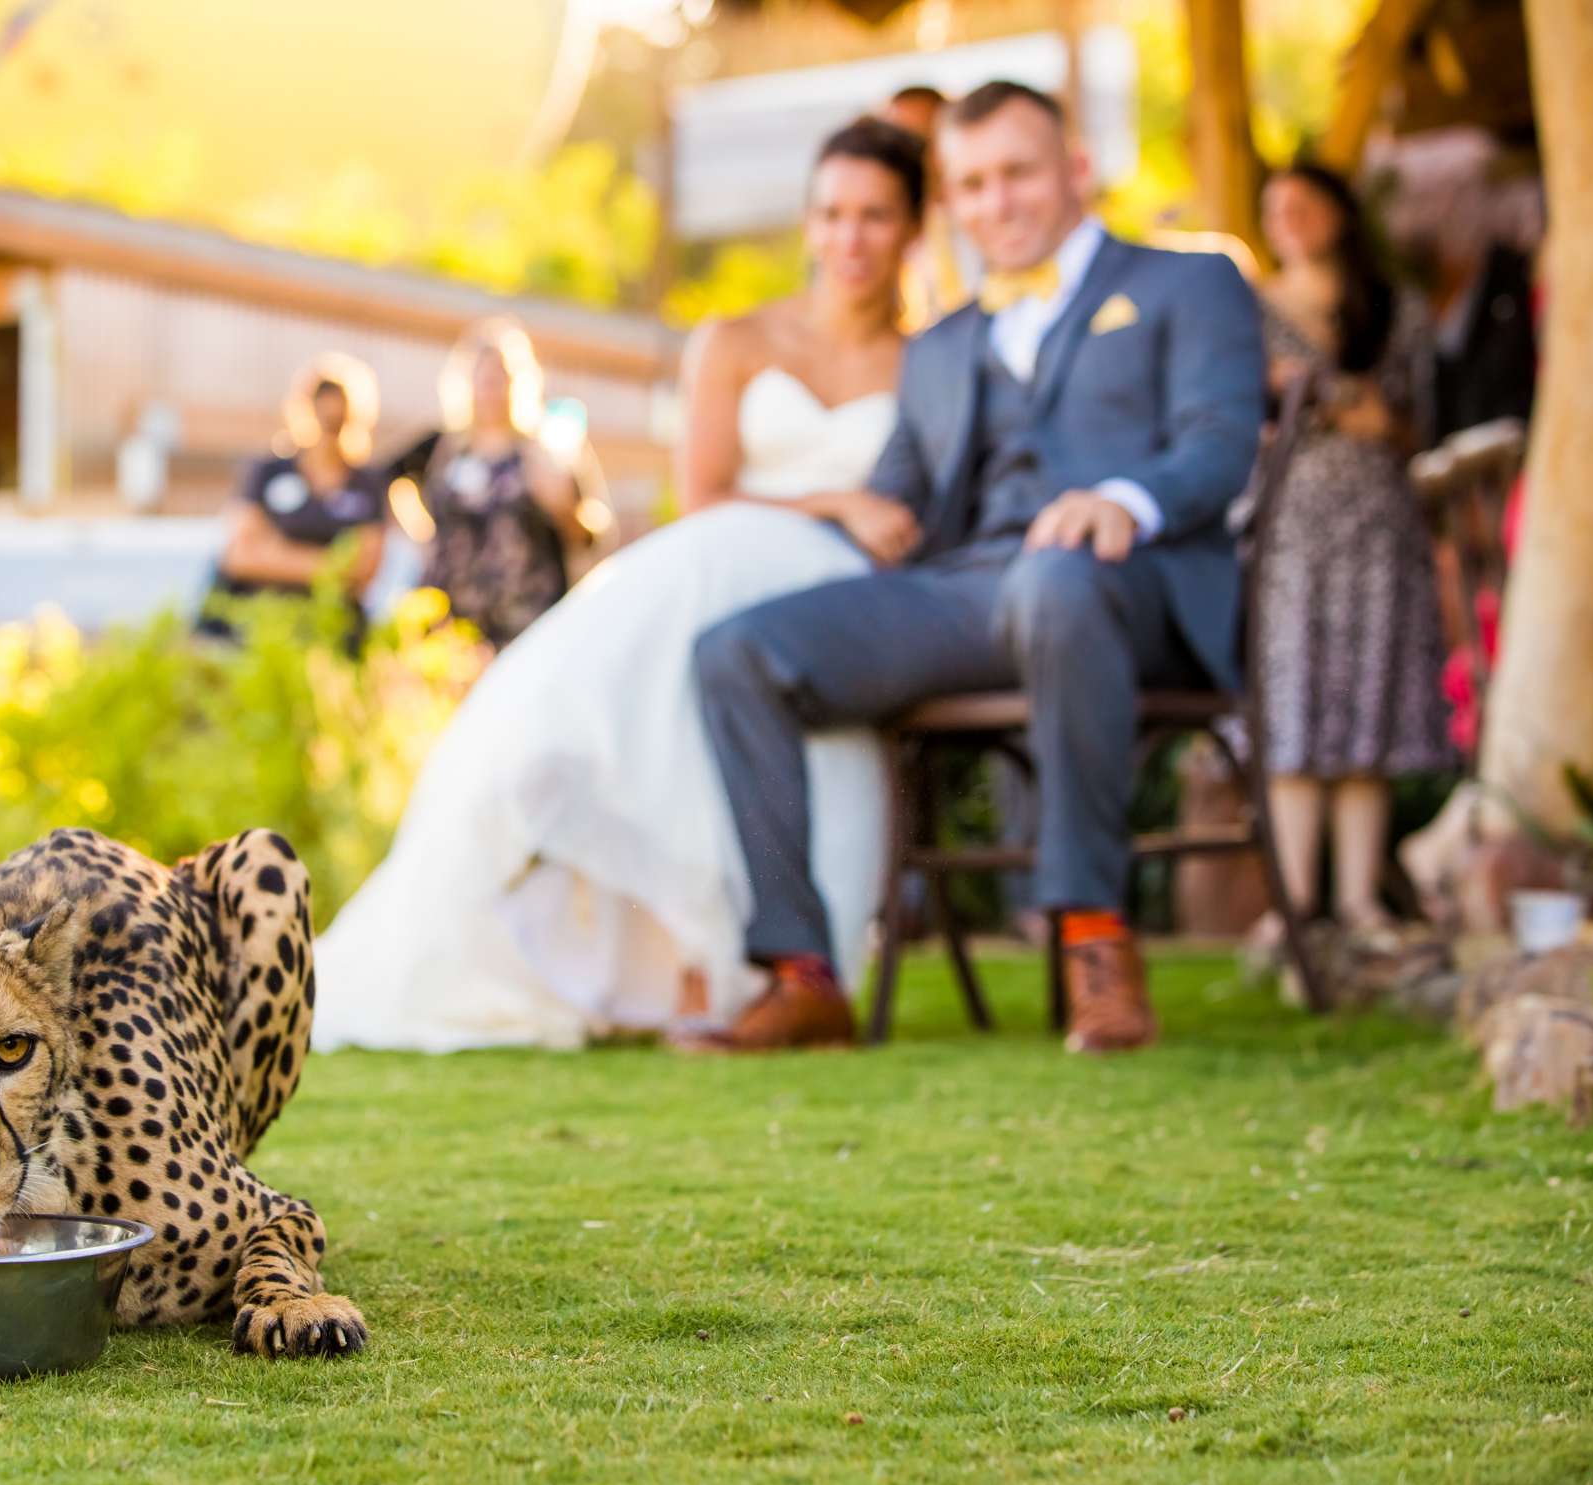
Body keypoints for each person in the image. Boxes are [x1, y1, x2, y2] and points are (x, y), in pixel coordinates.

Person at [311, 118, 924, 1051]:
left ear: (914, 228)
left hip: (844, 593)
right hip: (725, 551)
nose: (850, 237)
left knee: (732, 702)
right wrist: (841, 499)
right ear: (807, 222)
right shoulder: (737, 339)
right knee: (607, 691)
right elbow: (710, 492)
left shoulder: (934, 359)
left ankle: (736, 961)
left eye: (876, 216)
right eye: (832, 213)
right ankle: (661, 947)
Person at [690, 81, 1265, 1054]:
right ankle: (804, 971)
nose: (997, 202)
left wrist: (1122, 500)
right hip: (969, 592)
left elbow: (1220, 441)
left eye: (1018, 174)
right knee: (739, 651)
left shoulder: (1187, 284)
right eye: (972, 184)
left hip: (1133, 585)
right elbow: (899, 494)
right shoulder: (945, 345)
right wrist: (851, 514)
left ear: (1076, 170)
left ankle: (1094, 936)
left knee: (1058, 576)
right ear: (951, 202)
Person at [1251, 163, 1455, 948]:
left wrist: (1339, 403)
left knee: (1369, 701)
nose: (1289, 220)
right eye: (1276, 209)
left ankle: (1361, 902)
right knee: (1296, 698)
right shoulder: (1250, 310)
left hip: (1379, 523)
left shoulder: (1392, 309)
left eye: (1303, 205)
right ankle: (1295, 902)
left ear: (1340, 213)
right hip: (1293, 526)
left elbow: (1413, 421)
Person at [409, 318, 614, 648]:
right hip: (454, 629)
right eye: (483, 377)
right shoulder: (446, 450)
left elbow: (593, 536)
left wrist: (562, 508)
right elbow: (388, 480)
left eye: (500, 377)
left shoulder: (546, 448)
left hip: (524, 626)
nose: (491, 387)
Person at [196, 356, 388, 640]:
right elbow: (240, 555)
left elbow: (363, 572)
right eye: (321, 413)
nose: (327, 428)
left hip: (327, 623)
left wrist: (276, 551)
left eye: (337, 419)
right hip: (253, 616)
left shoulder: (367, 484)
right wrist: (329, 564)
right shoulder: (268, 472)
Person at [881, 84, 983, 329]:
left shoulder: (990, 211)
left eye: (918, 142)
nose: (908, 160)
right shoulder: (886, 233)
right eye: (894, 148)